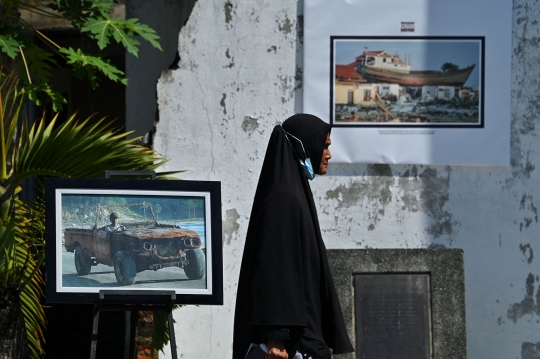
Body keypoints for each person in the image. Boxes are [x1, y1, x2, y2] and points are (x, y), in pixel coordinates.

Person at [233, 114, 354, 359]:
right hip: (290, 345)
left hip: (300, 335)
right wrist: (276, 338)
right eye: (326, 145)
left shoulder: (292, 192)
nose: (328, 154)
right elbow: (275, 270)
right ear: (305, 145)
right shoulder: (283, 199)